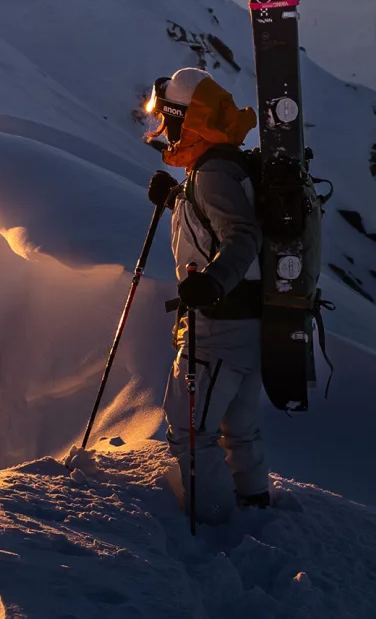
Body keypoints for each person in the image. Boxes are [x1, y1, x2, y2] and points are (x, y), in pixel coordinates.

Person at [145, 67, 270, 524]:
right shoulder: (222, 164)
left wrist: (212, 282)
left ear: (186, 119)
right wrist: (176, 198)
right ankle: (254, 506)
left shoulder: (213, 172)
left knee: (188, 431)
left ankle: (215, 523)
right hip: (248, 320)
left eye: (168, 119)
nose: (164, 128)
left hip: (220, 325)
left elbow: (240, 235)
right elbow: (213, 224)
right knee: (237, 426)